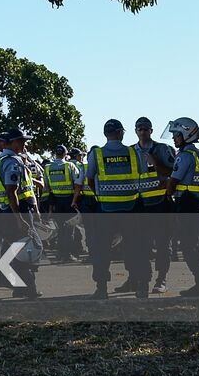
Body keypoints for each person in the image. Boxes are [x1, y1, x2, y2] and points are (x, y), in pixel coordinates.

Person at [84, 120, 150, 299]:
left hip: (106, 209)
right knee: (137, 248)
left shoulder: (96, 154)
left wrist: (101, 195)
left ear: (105, 134)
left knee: (101, 251)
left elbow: (90, 179)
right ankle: (142, 286)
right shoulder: (133, 152)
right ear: (121, 133)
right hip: (131, 207)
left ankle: (102, 289)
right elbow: (143, 172)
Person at [166, 117, 199, 296]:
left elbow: (173, 181)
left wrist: (168, 194)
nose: (174, 138)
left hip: (187, 203)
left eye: (176, 135)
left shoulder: (185, 156)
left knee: (189, 246)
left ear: (186, 135)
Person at [132, 118, 176, 293]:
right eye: (140, 129)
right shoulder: (130, 151)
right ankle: (143, 279)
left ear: (151, 131)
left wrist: (155, 162)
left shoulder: (163, 149)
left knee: (163, 243)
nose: (143, 132)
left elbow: (173, 172)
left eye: (146, 129)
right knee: (141, 244)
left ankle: (161, 279)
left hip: (161, 204)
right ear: (136, 131)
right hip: (140, 204)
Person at [0, 129, 41, 299]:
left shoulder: (2, 160)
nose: (24, 144)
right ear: (12, 143)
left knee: (14, 249)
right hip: (18, 211)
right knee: (25, 249)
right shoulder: (12, 162)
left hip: (8, 211)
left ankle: (19, 288)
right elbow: (11, 191)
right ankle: (30, 288)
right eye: (21, 141)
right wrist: (20, 219)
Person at [41, 145, 78, 261]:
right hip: (69, 201)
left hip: (55, 201)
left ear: (55, 154)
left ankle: (60, 253)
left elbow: (46, 186)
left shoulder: (47, 167)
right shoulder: (69, 165)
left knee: (60, 229)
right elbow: (77, 182)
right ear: (65, 154)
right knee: (69, 229)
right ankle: (67, 255)